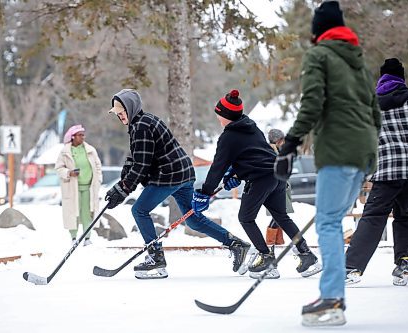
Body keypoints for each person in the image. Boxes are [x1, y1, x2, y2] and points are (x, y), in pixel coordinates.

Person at [274, 1, 380, 326]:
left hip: (338, 151)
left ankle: (332, 300)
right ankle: (333, 296)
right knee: (333, 219)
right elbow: (375, 112)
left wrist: (290, 144)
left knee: (329, 223)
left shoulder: (319, 55)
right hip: (363, 153)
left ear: (318, 30)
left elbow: (312, 102)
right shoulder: (360, 65)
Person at [105, 88, 250, 280]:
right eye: (117, 113)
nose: (120, 116)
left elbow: (142, 165)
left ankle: (156, 259)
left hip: (169, 176)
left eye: (122, 111)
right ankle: (236, 244)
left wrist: (123, 188)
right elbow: (135, 158)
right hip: (183, 174)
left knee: (139, 210)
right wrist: (124, 180)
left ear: (131, 108)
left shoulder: (141, 126)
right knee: (193, 219)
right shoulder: (141, 122)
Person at [191, 89, 321, 280]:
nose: (218, 118)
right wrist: (235, 174)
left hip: (260, 179)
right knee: (281, 216)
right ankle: (306, 255)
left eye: (219, 115)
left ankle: (266, 257)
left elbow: (218, 167)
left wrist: (205, 192)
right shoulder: (252, 127)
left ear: (227, 116)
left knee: (246, 218)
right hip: (276, 175)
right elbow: (251, 156)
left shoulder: (228, 137)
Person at [344, 58, 408, 287]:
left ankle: (351, 267)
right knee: (404, 215)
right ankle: (405, 259)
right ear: (402, 78)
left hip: (388, 170)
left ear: (381, 78)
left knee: (373, 216)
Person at [55, 124, 102, 246]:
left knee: (87, 213)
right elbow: (59, 168)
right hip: (72, 189)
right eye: (80, 135)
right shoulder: (65, 152)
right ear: (73, 137)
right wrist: (69, 173)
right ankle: (74, 237)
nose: (82, 137)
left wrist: (99, 179)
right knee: (73, 212)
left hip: (89, 188)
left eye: (83, 135)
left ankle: (87, 238)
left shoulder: (90, 150)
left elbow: (98, 166)